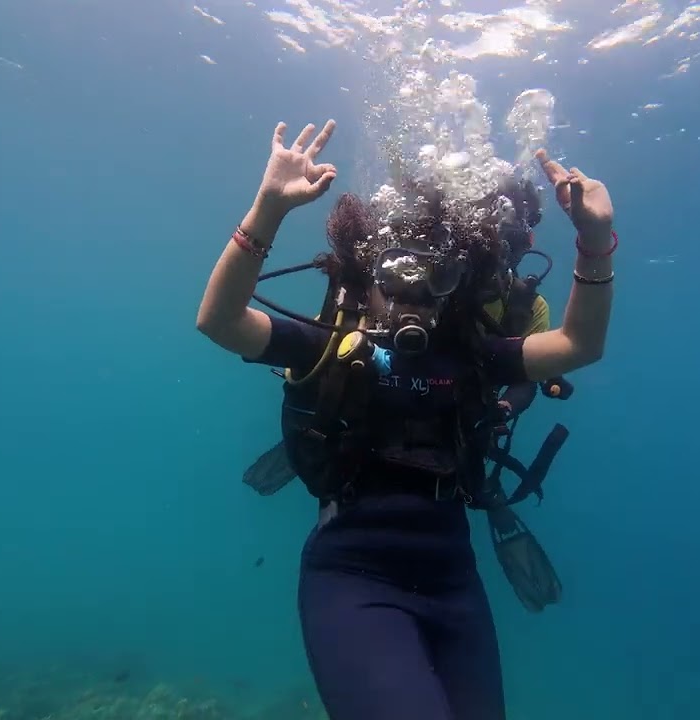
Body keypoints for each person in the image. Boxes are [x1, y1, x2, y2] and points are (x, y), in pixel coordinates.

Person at [195, 119, 617, 720]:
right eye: (394, 274)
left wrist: (595, 237)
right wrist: (268, 208)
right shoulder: (328, 343)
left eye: (436, 277)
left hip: (454, 578)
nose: (411, 296)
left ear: (456, 289)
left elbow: (579, 344)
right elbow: (219, 321)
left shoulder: (472, 356)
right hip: (353, 575)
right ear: (367, 279)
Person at [240, 173, 572, 614]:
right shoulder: (436, 276)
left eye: (515, 236)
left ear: (527, 238)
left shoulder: (526, 306)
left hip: (457, 411)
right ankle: (325, 440)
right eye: (497, 231)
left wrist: (502, 405)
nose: (504, 247)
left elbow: (536, 369)